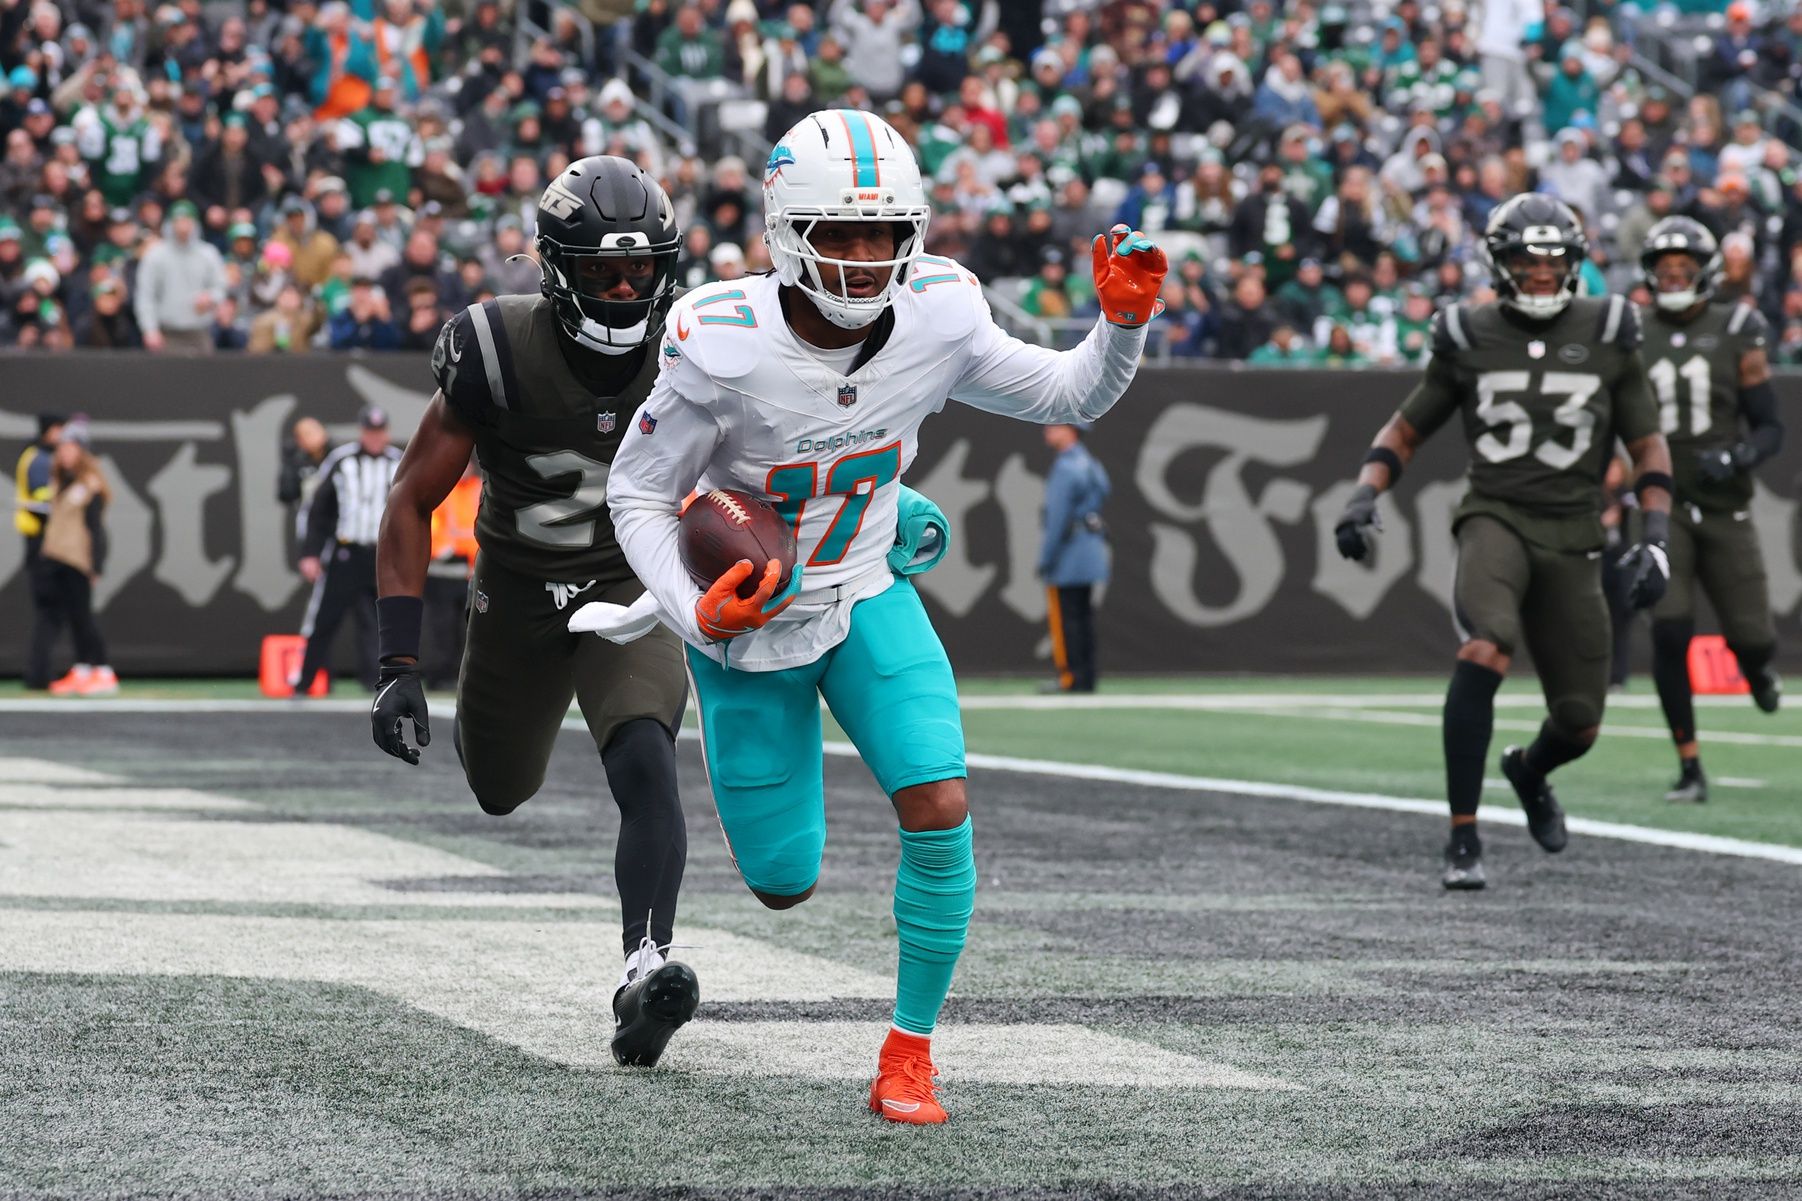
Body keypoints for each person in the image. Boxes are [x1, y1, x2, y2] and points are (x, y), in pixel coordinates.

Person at [599, 110, 1166, 1123]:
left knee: (940, 804)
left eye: (884, 235)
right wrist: (694, 609)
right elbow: (636, 494)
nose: (866, 260)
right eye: (843, 236)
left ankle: (909, 1053)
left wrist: (1117, 327)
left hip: (866, 592)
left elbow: (1064, 393)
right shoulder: (721, 344)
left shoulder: (941, 311)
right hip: (750, 631)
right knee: (781, 881)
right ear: (785, 232)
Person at [367, 156, 697, 1070]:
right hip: (515, 593)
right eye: (603, 272)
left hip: (628, 584)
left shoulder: (697, 344)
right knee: (498, 786)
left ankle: (645, 967)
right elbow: (407, 499)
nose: (626, 288)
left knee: (645, 757)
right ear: (558, 269)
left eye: (640, 270)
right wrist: (398, 663)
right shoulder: (497, 346)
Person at [1332, 194, 1674, 890]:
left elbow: (1646, 442)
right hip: (1496, 514)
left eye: (1554, 261)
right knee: (1487, 638)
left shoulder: (1610, 329)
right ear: (1501, 262)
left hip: (1577, 530)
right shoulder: (1469, 332)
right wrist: (1365, 491)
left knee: (1579, 721)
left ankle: (1528, 769)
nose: (1542, 274)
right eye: (1527, 259)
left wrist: (1658, 536)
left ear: (1575, 264)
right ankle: (1463, 835)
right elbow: (1406, 430)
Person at [1635, 216, 1784, 803]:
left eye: (1683, 270)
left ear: (1705, 274)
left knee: (1752, 637)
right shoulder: (1631, 332)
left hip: (1725, 504)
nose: (1673, 279)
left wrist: (1740, 454)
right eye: (1664, 271)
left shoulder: (1738, 327)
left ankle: (1755, 668)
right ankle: (1689, 763)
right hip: (1659, 499)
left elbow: (1770, 425)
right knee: (1669, 631)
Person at [295, 406, 402, 693]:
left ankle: (378, 685)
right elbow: (317, 510)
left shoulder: (398, 462)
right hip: (346, 552)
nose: (375, 438)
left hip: (382, 556)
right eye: (370, 432)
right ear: (361, 432)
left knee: (382, 623)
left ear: (387, 433)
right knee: (324, 618)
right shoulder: (341, 461)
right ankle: (304, 683)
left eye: (380, 432)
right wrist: (310, 553)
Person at [36, 421, 118, 696]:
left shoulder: (90, 485)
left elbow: (95, 529)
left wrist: (96, 565)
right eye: (63, 448)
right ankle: (82, 668)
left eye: (71, 448)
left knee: (84, 617)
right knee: (72, 617)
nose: (65, 454)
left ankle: (104, 670)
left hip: (77, 561)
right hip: (58, 558)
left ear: (82, 451)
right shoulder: (60, 480)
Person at [1038, 421, 1110, 693]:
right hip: (1090, 549)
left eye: (1054, 425)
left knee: (1067, 619)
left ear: (1070, 430)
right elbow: (1105, 491)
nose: (1047, 430)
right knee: (1083, 618)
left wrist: (1046, 557)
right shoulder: (1090, 463)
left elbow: (1057, 518)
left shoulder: (1066, 467)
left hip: (1069, 553)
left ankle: (1070, 678)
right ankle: (1086, 677)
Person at [422, 456, 480, 689]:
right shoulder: (440, 488)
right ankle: (441, 674)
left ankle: (463, 674)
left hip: (471, 571)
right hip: (443, 571)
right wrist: (443, 547)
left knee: (468, 628)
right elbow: (431, 525)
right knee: (442, 628)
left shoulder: (479, 488)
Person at [15, 412, 63, 690]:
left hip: (43, 541)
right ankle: (39, 675)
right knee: (49, 610)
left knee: (51, 612)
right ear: (51, 430)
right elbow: (40, 497)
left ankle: (40, 673)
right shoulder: (38, 458)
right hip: (40, 541)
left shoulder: (40, 455)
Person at [278, 416, 334, 543]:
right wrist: (288, 464)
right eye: (306, 434)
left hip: (336, 525)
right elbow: (286, 494)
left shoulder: (336, 458)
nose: (312, 437)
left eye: (314, 431)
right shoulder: (298, 462)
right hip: (310, 524)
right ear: (299, 440)